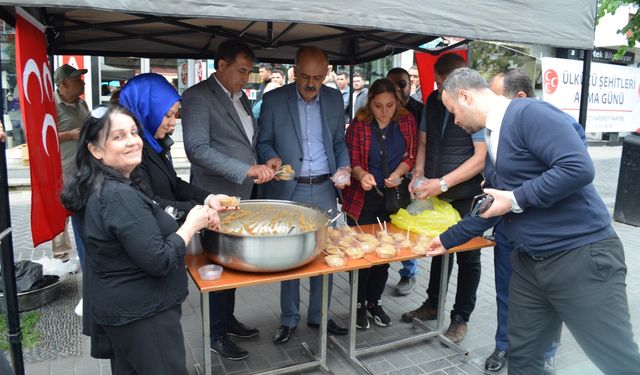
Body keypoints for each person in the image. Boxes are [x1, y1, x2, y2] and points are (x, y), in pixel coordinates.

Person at [428, 67, 640, 374]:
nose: (456, 121)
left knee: (617, 360)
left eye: (453, 111)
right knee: (523, 357)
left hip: (580, 258)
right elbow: (492, 205)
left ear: (465, 95)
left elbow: (578, 168)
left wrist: (514, 199)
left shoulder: (529, 113)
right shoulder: (494, 138)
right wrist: (448, 239)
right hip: (528, 263)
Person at [60, 105, 218, 374]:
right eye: (118, 136)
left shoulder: (103, 183)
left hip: (125, 313)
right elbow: (159, 259)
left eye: (134, 132)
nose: (133, 141)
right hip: (144, 315)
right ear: (95, 150)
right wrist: (191, 225)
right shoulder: (117, 195)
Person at [482, 68, 587, 373]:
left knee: (548, 295)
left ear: (520, 98)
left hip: (545, 234)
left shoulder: (560, 124)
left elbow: (569, 175)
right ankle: (504, 345)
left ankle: (547, 349)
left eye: (496, 96)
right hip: (508, 229)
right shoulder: (496, 127)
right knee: (506, 290)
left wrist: (516, 192)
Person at [182, 40, 274, 360]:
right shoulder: (197, 97)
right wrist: (245, 168)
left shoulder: (242, 98)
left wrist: (267, 161)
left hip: (242, 196)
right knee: (216, 265)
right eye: (241, 71)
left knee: (231, 262)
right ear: (221, 65)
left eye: (249, 72)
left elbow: (251, 141)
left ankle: (227, 319)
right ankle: (215, 334)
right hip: (214, 197)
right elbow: (197, 149)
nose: (246, 78)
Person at [257, 46, 350, 345]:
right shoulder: (273, 99)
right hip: (289, 186)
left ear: (327, 74)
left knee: (325, 252)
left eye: (318, 78)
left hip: (324, 185)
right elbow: (264, 142)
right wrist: (270, 156)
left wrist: (345, 166)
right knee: (290, 255)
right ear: (294, 71)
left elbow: (338, 141)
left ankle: (320, 315)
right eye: (306, 77)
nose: (311, 84)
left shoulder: (335, 98)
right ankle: (288, 318)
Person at [401, 54, 486, 344]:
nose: (437, 90)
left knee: (468, 256)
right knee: (439, 246)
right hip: (437, 186)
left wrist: (444, 183)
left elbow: (481, 158)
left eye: (441, 84)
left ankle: (460, 317)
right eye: (436, 84)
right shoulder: (433, 102)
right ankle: (432, 303)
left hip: (466, 193)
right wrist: (419, 173)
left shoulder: (475, 108)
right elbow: (424, 142)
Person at [342, 78, 416, 329]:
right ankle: (358, 304)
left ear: (397, 102)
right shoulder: (359, 125)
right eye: (378, 106)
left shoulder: (406, 121)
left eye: (390, 105)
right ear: (369, 103)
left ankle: (374, 302)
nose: (384, 111)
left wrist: (399, 173)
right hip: (363, 196)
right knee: (363, 255)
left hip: (393, 198)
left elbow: (412, 155)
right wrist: (362, 175)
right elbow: (350, 161)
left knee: (385, 254)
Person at [118, 73, 232, 216]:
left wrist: (209, 199)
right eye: (167, 115)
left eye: (176, 115)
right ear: (146, 110)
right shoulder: (131, 152)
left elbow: (174, 184)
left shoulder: (155, 144)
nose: (173, 123)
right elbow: (149, 203)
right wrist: (199, 210)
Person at [386, 67, 423, 295]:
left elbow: (422, 146)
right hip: (385, 178)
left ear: (411, 84)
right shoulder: (379, 107)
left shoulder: (419, 111)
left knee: (407, 229)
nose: (398, 89)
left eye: (401, 83)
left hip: (410, 179)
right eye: (392, 84)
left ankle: (409, 273)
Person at [53, 64, 90, 263]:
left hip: (84, 167)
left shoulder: (82, 104)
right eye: (77, 80)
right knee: (61, 213)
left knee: (82, 211)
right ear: (63, 84)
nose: (82, 83)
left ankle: (85, 252)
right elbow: (38, 136)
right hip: (62, 169)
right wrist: (69, 135)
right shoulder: (50, 104)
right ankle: (62, 258)